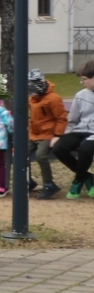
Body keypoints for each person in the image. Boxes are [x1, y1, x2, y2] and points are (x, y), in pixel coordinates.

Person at [54, 62, 94, 196]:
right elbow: (73, 119)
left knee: (86, 147)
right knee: (59, 148)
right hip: (80, 130)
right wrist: (64, 136)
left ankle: (77, 181)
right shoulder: (81, 95)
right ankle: (87, 177)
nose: (81, 83)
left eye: (84, 79)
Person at [28, 70, 66, 199]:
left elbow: (61, 118)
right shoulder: (33, 98)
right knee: (21, 154)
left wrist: (57, 135)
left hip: (48, 134)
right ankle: (28, 181)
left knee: (41, 156)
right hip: (34, 133)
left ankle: (49, 184)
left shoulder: (54, 99)